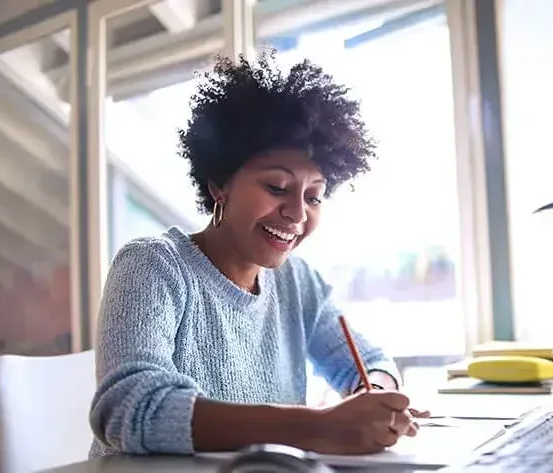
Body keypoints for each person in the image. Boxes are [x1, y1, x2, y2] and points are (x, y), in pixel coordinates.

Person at [88, 52, 428, 458]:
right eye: (277, 188)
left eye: (314, 196)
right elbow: (131, 409)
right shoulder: (153, 266)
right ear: (220, 183)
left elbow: (369, 361)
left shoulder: (297, 282)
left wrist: (375, 399)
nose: (298, 213)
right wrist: (318, 427)